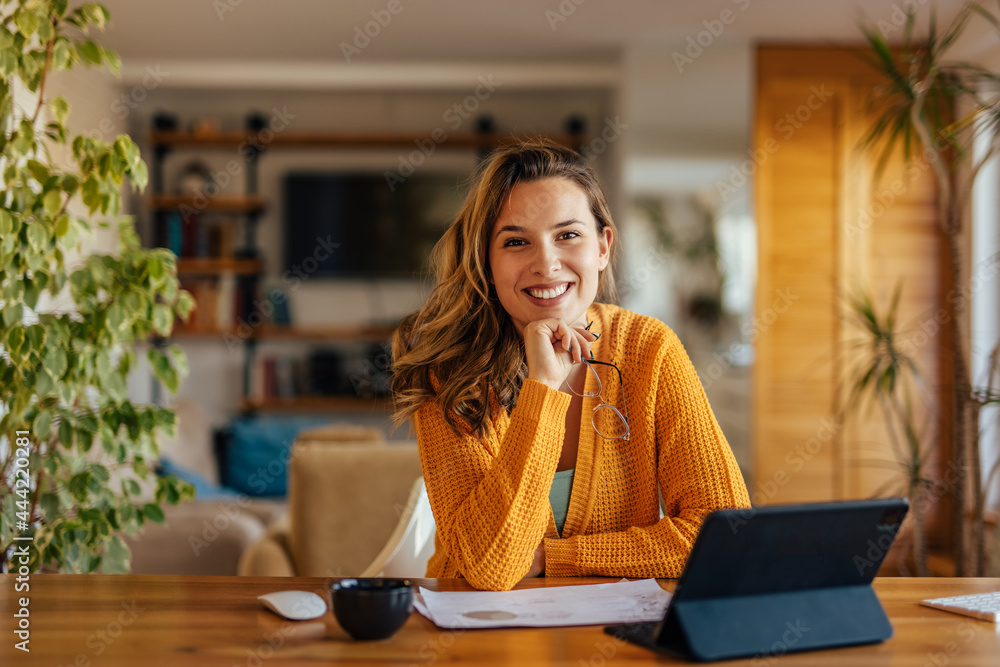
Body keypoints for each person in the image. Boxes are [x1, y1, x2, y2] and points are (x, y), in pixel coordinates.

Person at [391, 139, 750, 591]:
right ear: (487, 259)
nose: (546, 264)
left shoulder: (648, 349)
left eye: (568, 235)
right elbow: (489, 568)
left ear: (603, 246)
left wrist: (554, 558)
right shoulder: (447, 369)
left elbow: (727, 535)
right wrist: (542, 387)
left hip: (609, 638)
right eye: (516, 241)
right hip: (477, 637)